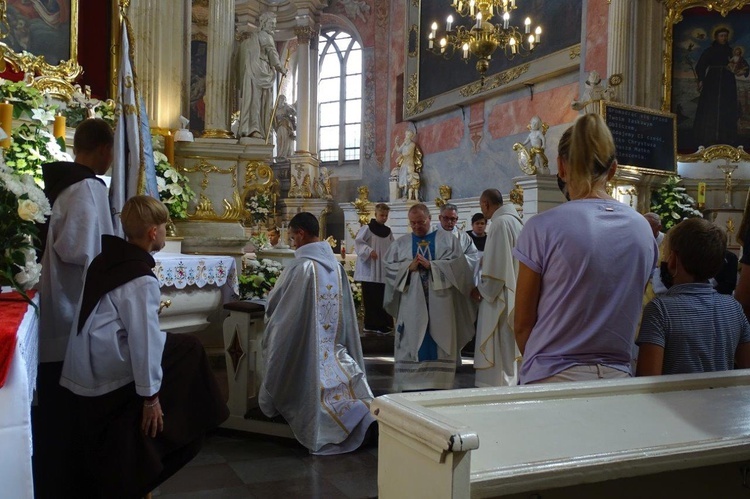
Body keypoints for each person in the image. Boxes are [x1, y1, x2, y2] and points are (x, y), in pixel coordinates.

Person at [60, 196, 229, 497]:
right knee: (189, 352)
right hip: (109, 366)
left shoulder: (105, 259)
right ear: (153, 232)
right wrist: (151, 398)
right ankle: (171, 443)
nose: (166, 231)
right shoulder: (140, 278)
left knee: (182, 349)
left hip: (86, 362)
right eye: (164, 226)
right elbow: (144, 339)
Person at [513, 113, 657, 384]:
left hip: (551, 376)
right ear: (613, 169)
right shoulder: (642, 229)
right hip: (618, 378)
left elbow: (522, 325)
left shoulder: (542, 227)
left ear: (561, 167)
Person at [34, 118, 115, 498]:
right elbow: (86, 252)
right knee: (70, 415)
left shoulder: (66, 185)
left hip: (62, 308)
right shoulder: (86, 187)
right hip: (76, 314)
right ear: (103, 150)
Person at [260, 212, 376, 454]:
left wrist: (270, 297)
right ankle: (360, 416)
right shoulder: (335, 265)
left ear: (301, 233)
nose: (292, 242)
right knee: (339, 373)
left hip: (310, 353)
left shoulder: (301, 267)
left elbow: (281, 312)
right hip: (332, 348)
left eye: (292, 237)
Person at [637, 218, 750, 376]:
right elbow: (747, 372)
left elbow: (647, 381)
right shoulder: (733, 307)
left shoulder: (659, 310)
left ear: (673, 260)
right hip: (723, 399)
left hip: (673, 399)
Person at [383, 203, 474, 391]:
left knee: (440, 334)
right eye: (413, 223)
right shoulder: (400, 244)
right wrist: (408, 267)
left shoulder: (448, 240)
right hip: (411, 302)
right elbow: (389, 267)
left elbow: (459, 267)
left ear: (430, 219)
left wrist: (432, 266)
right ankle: (410, 381)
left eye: (421, 222)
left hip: (440, 301)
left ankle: (438, 380)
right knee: (412, 334)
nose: (416, 226)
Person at [471, 189, 524, 387]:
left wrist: (481, 289)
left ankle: (497, 386)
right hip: (515, 290)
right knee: (508, 345)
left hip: (499, 296)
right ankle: (510, 382)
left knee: (499, 344)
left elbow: (495, 271)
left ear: (485, 204)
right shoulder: (516, 222)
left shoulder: (499, 224)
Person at [237, 12, 286, 139]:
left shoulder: (254, 38)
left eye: (274, 24)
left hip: (254, 70)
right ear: (264, 23)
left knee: (253, 99)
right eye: (271, 24)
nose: (273, 27)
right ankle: (255, 128)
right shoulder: (266, 36)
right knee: (257, 101)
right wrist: (281, 69)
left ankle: (251, 127)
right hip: (259, 70)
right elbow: (272, 54)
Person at [693, 27, 740, 147]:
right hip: (712, 81)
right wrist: (701, 79)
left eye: (725, 36)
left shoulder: (731, 51)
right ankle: (709, 137)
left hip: (728, 81)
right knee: (710, 108)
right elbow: (701, 66)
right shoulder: (709, 51)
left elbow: (740, 63)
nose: (724, 38)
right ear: (716, 37)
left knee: (727, 108)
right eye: (721, 36)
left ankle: (727, 138)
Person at [354, 203, 395, 333]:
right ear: (376, 214)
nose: (384, 218)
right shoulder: (367, 228)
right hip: (370, 269)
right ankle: (371, 324)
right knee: (371, 298)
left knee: (383, 297)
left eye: (386, 216)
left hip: (383, 269)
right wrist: (368, 250)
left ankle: (384, 324)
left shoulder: (388, 231)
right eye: (382, 215)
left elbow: (393, 247)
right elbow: (359, 243)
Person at [395, 130, 422, 199]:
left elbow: (407, 153)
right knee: (403, 178)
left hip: (409, 164)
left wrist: (400, 157)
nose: (406, 136)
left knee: (408, 179)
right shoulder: (404, 143)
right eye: (406, 134)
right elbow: (398, 150)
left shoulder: (412, 144)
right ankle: (404, 194)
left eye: (408, 135)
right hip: (403, 164)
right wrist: (396, 143)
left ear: (411, 136)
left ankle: (407, 195)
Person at [274, 94, 296, 158]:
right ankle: (279, 154)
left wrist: (288, 106)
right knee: (279, 140)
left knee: (285, 139)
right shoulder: (275, 109)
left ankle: (284, 154)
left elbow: (294, 112)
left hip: (285, 125)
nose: (281, 101)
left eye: (283, 99)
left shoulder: (286, 107)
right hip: (278, 126)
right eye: (280, 99)